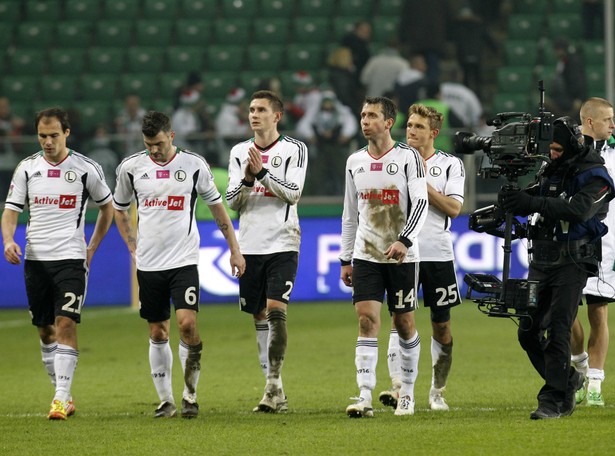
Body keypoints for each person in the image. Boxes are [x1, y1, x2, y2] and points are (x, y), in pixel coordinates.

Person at [113, 111, 245, 419]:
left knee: (187, 324)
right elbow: (119, 210)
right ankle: (166, 400)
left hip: (183, 260)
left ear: (171, 136)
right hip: (148, 265)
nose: (154, 150)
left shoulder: (194, 165)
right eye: (148, 144)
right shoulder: (130, 168)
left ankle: (190, 393)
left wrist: (235, 250)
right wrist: (132, 246)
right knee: (158, 331)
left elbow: (218, 211)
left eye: (158, 143)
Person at [498, 116, 614, 419]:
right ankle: (567, 382)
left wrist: (530, 203)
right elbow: (537, 204)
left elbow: (577, 210)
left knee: (558, 328)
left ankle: (551, 402)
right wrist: (505, 209)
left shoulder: (596, 174)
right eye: (549, 149)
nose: (552, 154)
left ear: (573, 146)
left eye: (557, 149)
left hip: (573, 262)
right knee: (528, 331)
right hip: (542, 260)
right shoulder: (550, 170)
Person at [1, 107, 114, 420]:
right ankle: (62, 392)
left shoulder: (86, 168)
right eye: (42, 136)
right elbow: (11, 211)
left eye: (53, 135)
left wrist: (91, 247)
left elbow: (108, 209)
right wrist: (9, 240)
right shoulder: (26, 168)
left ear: (66, 133)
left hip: (71, 259)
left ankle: (60, 398)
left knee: (65, 323)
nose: (47, 141)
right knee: (45, 331)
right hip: (36, 261)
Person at [340, 96, 428, 418]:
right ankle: (364, 395)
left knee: (404, 324)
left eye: (371, 115)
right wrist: (345, 258)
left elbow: (420, 203)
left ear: (388, 122)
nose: (364, 120)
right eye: (362, 115)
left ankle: (407, 390)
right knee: (366, 320)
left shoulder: (409, 158)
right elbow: (350, 214)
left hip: (403, 256)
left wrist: (405, 240)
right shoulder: (354, 161)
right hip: (366, 254)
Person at [379, 104, 465, 412]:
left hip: (436, 253)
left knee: (441, 325)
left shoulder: (450, 165)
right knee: (399, 318)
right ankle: (398, 386)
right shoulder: (393, 160)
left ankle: (437, 391)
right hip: (402, 252)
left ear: (434, 133)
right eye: (410, 125)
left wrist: (422, 186)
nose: (411, 131)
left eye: (418, 127)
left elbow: (454, 208)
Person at [226, 90, 308, 413]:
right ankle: (275, 390)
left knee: (276, 310)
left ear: (277, 116)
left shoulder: (294, 149)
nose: (254, 114)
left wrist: (262, 174)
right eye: (250, 109)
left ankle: (272, 383)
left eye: (261, 109)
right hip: (249, 246)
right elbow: (233, 201)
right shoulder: (238, 152)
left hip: (283, 241)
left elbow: (293, 193)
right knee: (259, 315)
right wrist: (247, 178)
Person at [570, 97, 615, 407]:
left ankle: (595, 384)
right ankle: (581, 365)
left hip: (606, 245)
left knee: (598, 312)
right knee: (566, 312)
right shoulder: (567, 151)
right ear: (589, 122)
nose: (613, 125)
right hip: (570, 242)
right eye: (608, 119)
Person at [296, 90, 358, 195]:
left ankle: (346, 196)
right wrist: (310, 135)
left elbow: (351, 123)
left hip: (336, 148)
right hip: (320, 149)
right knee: (317, 174)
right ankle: (316, 198)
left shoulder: (341, 112)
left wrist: (346, 134)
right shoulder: (314, 112)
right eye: (325, 102)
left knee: (342, 172)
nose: (327, 105)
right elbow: (302, 125)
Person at [114, 93, 146, 158]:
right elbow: (119, 135)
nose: (132, 107)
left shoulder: (145, 116)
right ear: (126, 105)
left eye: (134, 104)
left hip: (142, 150)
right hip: (125, 151)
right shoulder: (121, 116)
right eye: (130, 104)